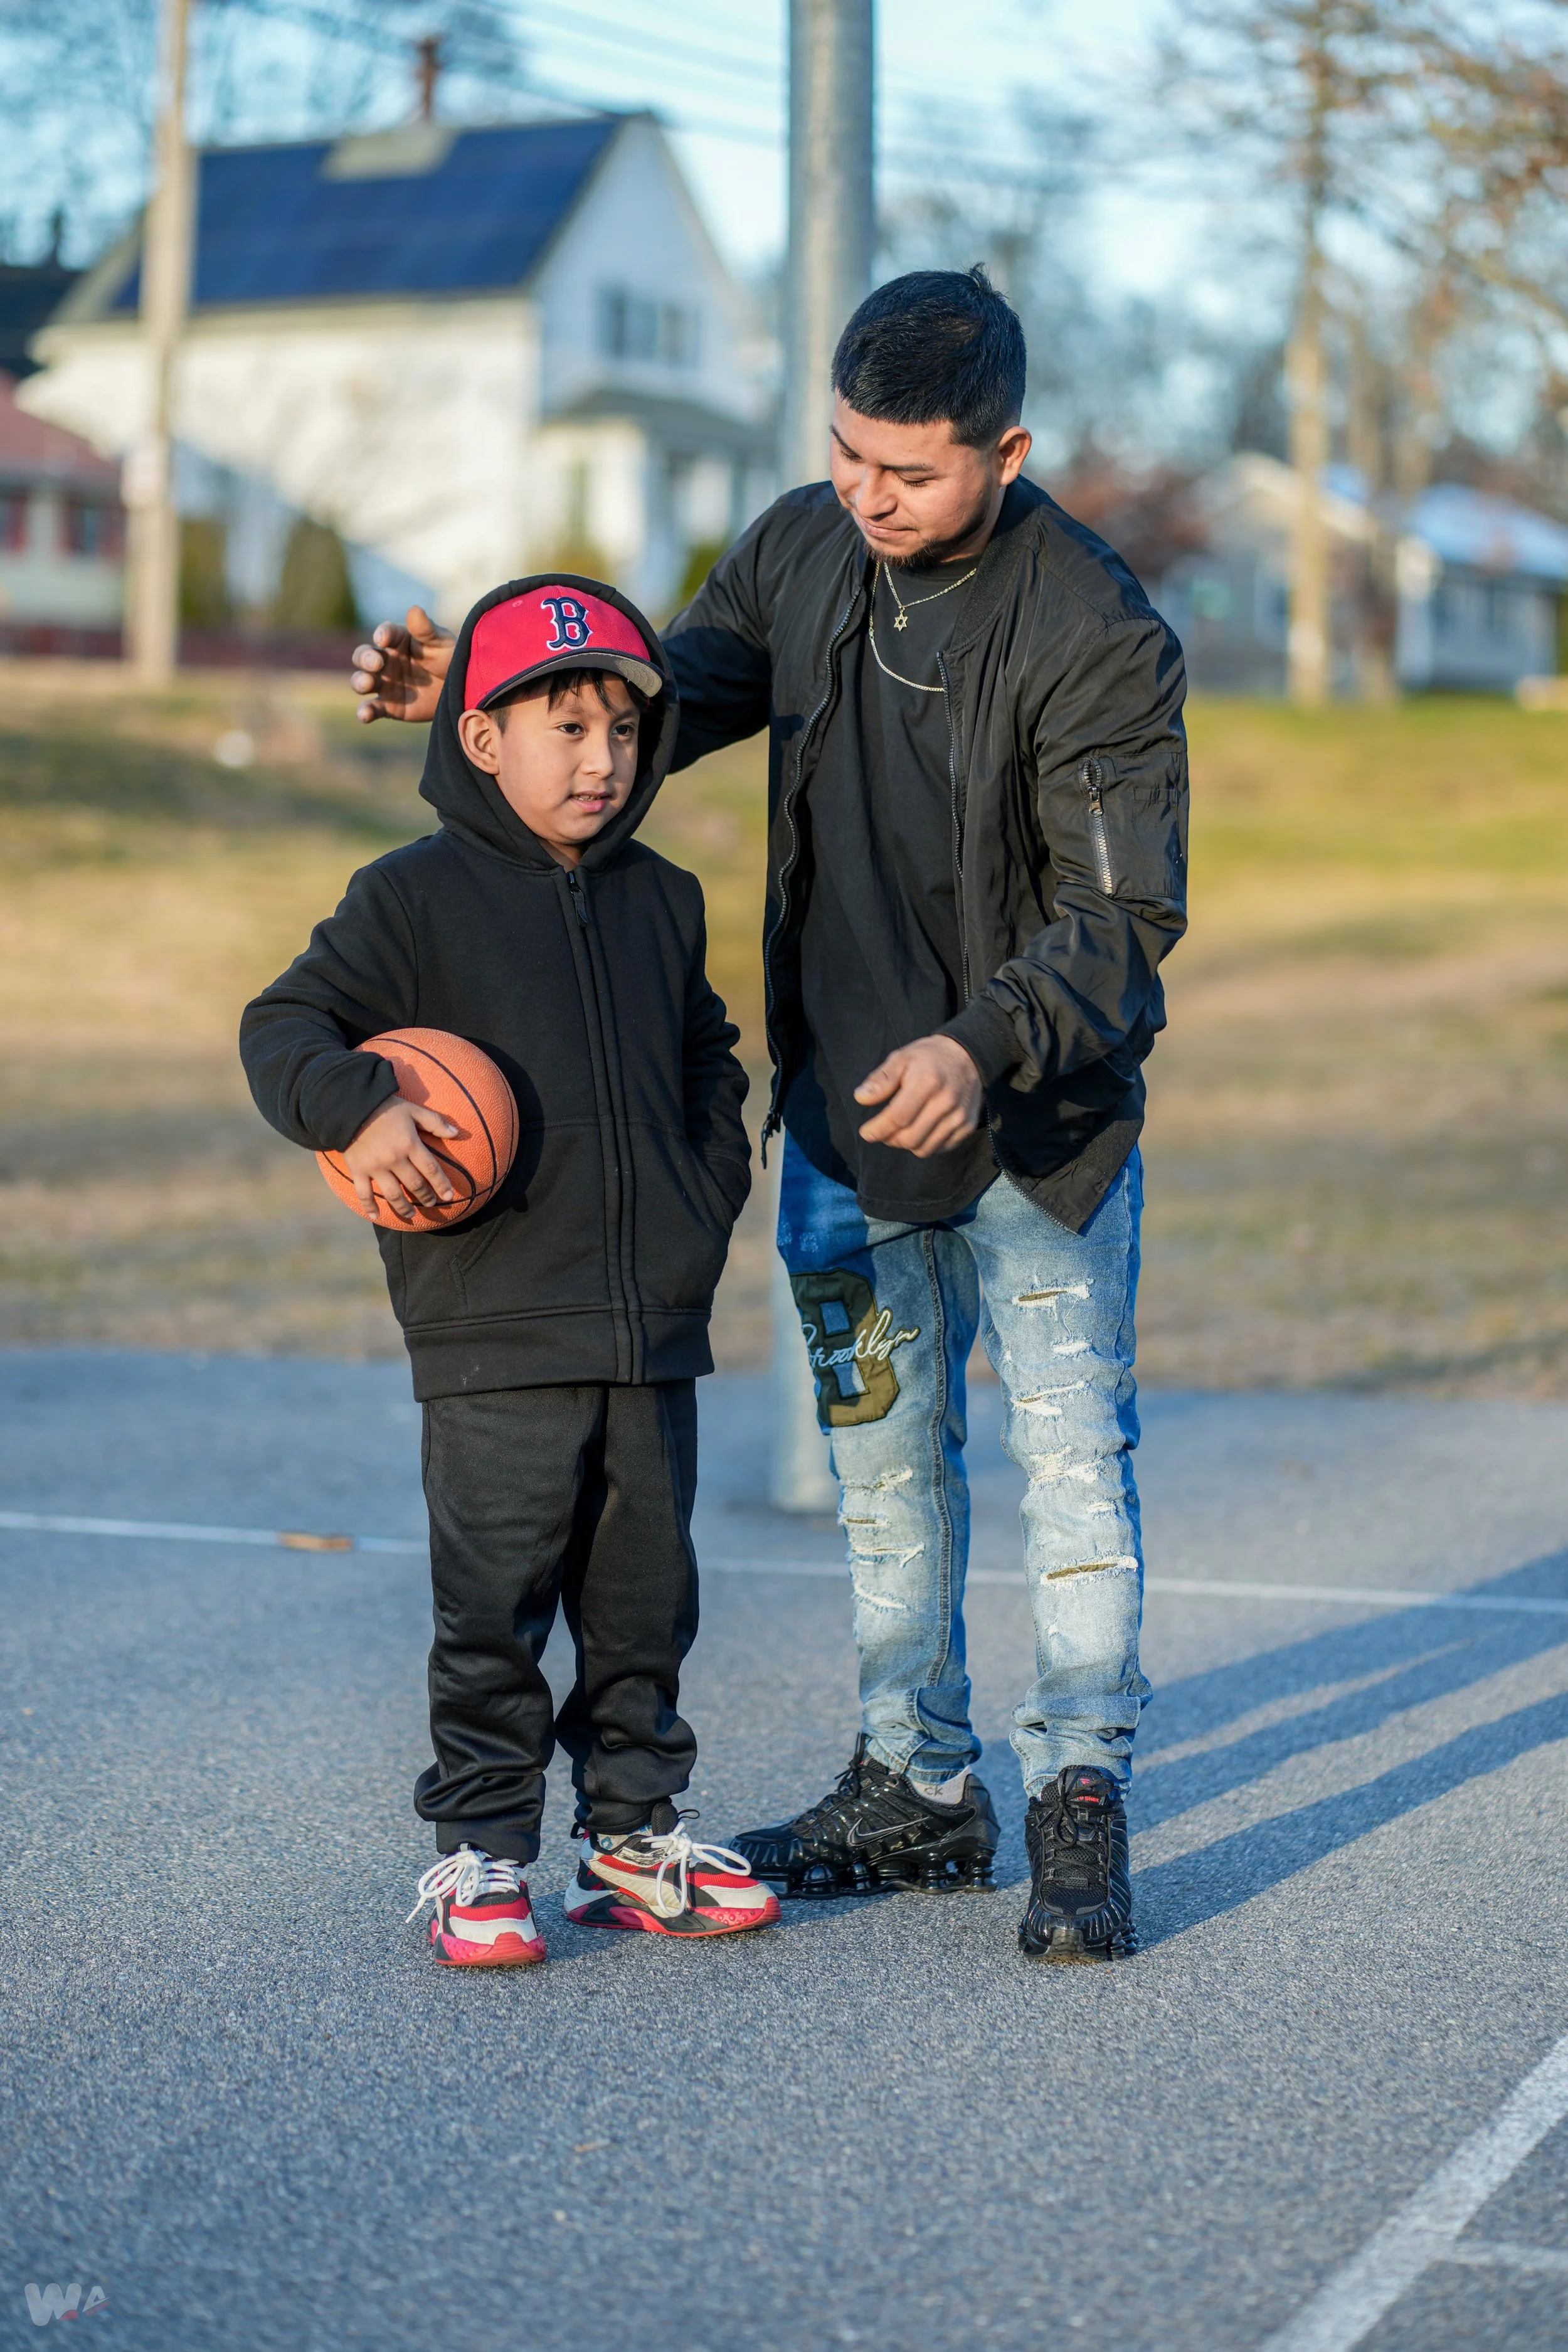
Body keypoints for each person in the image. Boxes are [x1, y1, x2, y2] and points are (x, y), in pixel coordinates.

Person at [348, 268, 1189, 1963]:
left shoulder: (1096, 632)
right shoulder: (804, 547)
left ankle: (1079, 1791)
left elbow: (1118, 922)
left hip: (1037, 1131)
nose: (867, 495)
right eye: (845, 453)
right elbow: (661, 691)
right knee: (882, 1480)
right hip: (842, 1123)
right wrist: (481, 681)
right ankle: (914, 1785)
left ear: (1008, 453)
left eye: (912, 470)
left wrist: (985, 1039)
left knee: (1068, 1467)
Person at [242, 578, 780, 1964]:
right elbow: (282, 1022)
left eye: (621, 728)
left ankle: (633, 1839)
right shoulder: (409, 898)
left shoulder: (664, 898)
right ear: (480, 739)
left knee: (644, 1603)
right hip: (490, 1329)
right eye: (564, 728)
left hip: (648, 1327)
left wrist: (697, 1196)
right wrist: (355, 1101)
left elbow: (706, 1058)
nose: (601, 759)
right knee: (492, 1609)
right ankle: (481, 1852)